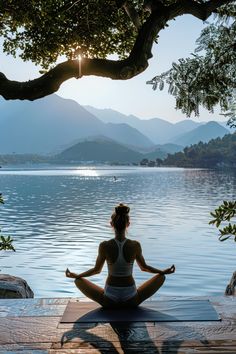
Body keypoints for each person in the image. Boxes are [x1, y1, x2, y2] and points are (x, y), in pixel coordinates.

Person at [65, 203, 175, 308]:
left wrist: (77, 275)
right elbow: (144, 268)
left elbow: (96, 270)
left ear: (111, 224)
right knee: (161, 277)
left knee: (78, 281)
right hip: (131, 299)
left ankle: (80, 280)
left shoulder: (104, 245)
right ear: (128, 225)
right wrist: (163, 272)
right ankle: (133, 297)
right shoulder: (135, 245)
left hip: (109, 300)